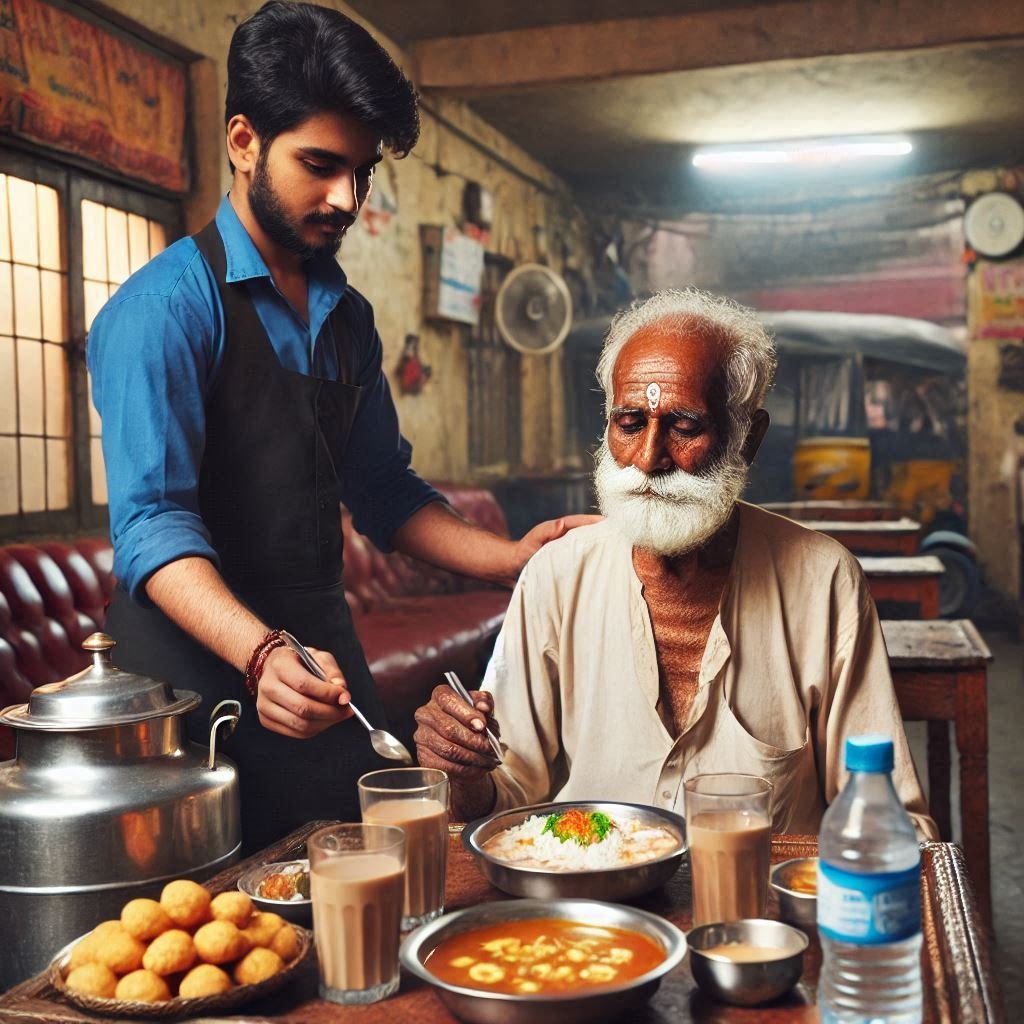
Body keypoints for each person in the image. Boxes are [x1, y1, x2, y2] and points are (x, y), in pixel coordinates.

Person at [87, 0, 595, 853]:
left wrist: (509, 558)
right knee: (212, 927)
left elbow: (384, 492)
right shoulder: (162, 312)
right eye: (319, 164)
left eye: (361, 172)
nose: (345, 197)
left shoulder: (349, 319)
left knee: (365, 883)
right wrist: (256, 655)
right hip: (189, 685)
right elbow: (151, 524)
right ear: (243, 141)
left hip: (321, 660)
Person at [414, 288, 937, 839]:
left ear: (748, 438)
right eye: (631, 422)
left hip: (760, 913)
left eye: (685, 426)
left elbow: (890, 819)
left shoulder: (823, 581)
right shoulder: (556, 575)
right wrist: (463, 770)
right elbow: (509, 788)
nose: (648, 459)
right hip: (591, 913)